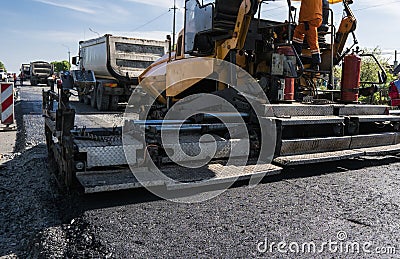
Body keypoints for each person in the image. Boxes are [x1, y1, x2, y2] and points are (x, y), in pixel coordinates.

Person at [292, 0, 323, 71]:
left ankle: (296, 55)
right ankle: (316, 63)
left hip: (308, 18)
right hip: (316, 18)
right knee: (313, 42)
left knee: (298, 33)